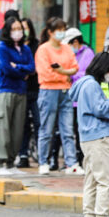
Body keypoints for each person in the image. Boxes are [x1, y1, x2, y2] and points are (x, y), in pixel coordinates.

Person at [69, 52, 109, 217]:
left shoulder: (83, 84)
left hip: (88, 137)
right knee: (106, 180)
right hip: (98, 137)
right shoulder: (92, 86)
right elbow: (101, 110)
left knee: (92, 180)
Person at [36, 18, 82, 175]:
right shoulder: (43, 50)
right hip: (48, 91)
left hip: (65, 91)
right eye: (59, 30)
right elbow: (45, 74)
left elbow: (75, 68)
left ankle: (72, 163)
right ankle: (43, 162)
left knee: (67, 129)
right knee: (46, 128)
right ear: (50, 32)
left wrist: (60, 71)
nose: (61, 33)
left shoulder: (67, 48)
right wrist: (64, 73)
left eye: (63, 29)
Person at [0, 17, 35, 175]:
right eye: (14, 29)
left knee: (17, 128)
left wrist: (17, 66)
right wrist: (21, 71)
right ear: (8, 30)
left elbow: (32, 68)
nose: (18, 31)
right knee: (2, 126)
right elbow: (5, 68)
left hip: (21, 91)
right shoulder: (1, 47)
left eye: (19, 28)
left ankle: (11, 162)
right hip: (6, 90)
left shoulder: (25, 48)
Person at [16, 18, 40, 169]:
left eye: (25, 27)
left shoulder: (36, 45)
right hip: (20, 89)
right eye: (20, 27)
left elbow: (35, 66)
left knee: (39, 122)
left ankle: (40, 153)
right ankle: (23, 154)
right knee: (22, 124)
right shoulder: (16, 46)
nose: (23, 30)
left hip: (36, 89)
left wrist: (23, 69)